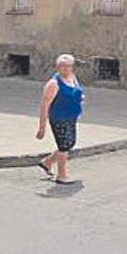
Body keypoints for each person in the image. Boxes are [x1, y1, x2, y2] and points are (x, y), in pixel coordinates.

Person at [35, 54, 84, 184]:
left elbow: (76, 91)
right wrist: (42, 128)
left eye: (68, 66)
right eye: (62, 66)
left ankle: (47, 162)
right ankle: (62, 175)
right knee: (63, 146)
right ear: (57, 67)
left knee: (70, 143)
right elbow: (44, 105)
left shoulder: (72, 78)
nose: (65, 69)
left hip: (71, 117)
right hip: (59, 118)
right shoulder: (53, 84)